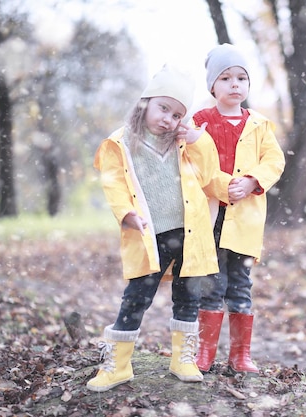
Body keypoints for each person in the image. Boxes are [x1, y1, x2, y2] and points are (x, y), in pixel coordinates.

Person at [87, 65, 220, 392]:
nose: (168, 119)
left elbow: (209, 174)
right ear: (145, 102)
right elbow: (114, 183)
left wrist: (198, 139)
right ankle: (118, 365)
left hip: (188, 233)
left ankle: (182, 359)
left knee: (188, 295)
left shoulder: (184, 143)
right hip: (149, 234)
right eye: (163, 108)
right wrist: (126, 213)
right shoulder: (121, 142)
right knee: (136, 297)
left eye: (177, 115)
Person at [189, 43, 285, 375]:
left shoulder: (259, 125)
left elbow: (274, 161)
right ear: (212, 85)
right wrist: (221, 185)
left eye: (241, 78)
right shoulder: (200, 122)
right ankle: (205, 352)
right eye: (226, 78)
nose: (234, 84)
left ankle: (241, 356)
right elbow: (191, 163)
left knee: (240, 283)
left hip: (245, 218)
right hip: (212, 214)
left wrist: (253, 180)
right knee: (211, 282)